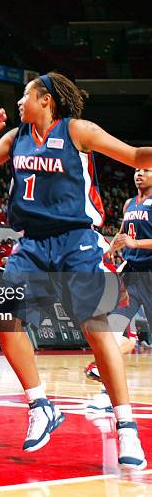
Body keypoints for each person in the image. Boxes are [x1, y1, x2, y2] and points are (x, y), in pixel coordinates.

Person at [0, 72, 150, 468]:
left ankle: (126, 425)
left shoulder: (77, 130)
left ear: (46, 99)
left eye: (25, 95)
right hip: (32, 243)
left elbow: (134, 156)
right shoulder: (16, 137)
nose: (18, 102)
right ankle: (40, 405)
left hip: (75, 240)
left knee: (96, 328)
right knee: (4, 317)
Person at [85, 167, 152, 413]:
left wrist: (136, 243)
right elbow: (123, 234)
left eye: (146, 170)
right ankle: (107, 395)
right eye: (137, 170)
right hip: (131, 274)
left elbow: (132, 240)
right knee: (112, 332)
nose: (140, 173)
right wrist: (108, 249)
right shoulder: (129, 204)